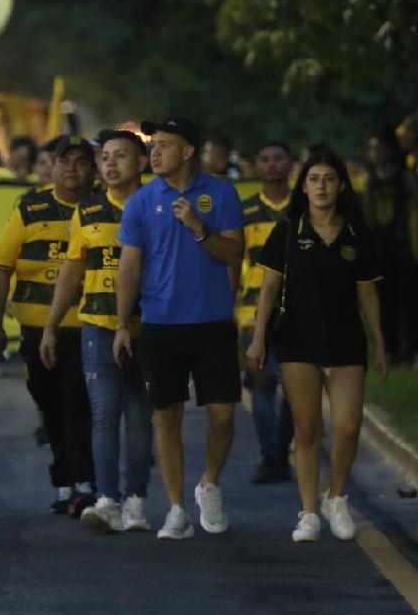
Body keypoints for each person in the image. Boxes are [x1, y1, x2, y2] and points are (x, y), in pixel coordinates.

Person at [247, 149, 389, 542]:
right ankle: (308, 511)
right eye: (314, 179)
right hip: (297, 342)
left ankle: (336, 496)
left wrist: (379, 344)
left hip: (345, 343)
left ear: (340, 185)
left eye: (329, 179)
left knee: (347, 426)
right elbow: (269, 291)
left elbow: (368, 296)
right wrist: (258, 339)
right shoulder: (288, 231)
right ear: (304, 186)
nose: (321, 186)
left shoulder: (356, 235)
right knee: (307, 429)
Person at [115, 116, 244, 540]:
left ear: (188, 152)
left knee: (223, 415)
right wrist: (121, 324)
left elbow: (233, 255)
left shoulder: (222, 193)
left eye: (164, 145)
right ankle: (175, 509)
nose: (154, 153)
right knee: (165, 416)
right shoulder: (140, 201)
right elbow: (129, 267)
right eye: (153, 145)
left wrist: (198, 228)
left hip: (212, 321)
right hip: (160, 323)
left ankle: (209, 482)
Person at [40, 130, 152, 534]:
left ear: (142, 162)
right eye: (104, 157)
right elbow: (72, 270)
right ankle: (107, 500)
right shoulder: (86, 211)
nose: (110, 164)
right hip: (97, 326)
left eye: (120, 156)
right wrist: (51, 325)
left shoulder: (157, 206)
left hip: (149, 328)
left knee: (140, 417)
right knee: (103, 414)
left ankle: (136, 500)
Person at [0, 135, 96, 516]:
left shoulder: (104, 207)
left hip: (88, 328)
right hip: (36, 332)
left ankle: (84, 482)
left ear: (94, 168)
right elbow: (2, 268)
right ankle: (65, 482)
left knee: (77, 404)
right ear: (51, 166)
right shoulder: (30, 208)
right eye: (63, 161)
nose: (71, 169)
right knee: (50, 405)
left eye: (81, 161)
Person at [237, 143, 295, 484]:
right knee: (261, 381)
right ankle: (271, 456)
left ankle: (280, 450)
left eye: (278, 158)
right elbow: (234, 265)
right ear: (255, 166)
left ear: (290, 165)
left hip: (297, 311)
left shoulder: (303, 211)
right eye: (264, 158)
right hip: (252, 311)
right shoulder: (244, 213)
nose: (272, 164)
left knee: (292, 385)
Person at [363, 126, 418, 365]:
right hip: (380, 247)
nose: (375, 154)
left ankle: (411, 350)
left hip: (404, 246)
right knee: (384, 301)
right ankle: (390, 350)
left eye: (379, 149)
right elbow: (367, 214)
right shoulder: (371, 178)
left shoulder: (404, 175)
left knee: (409, 300)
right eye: (372, 149)